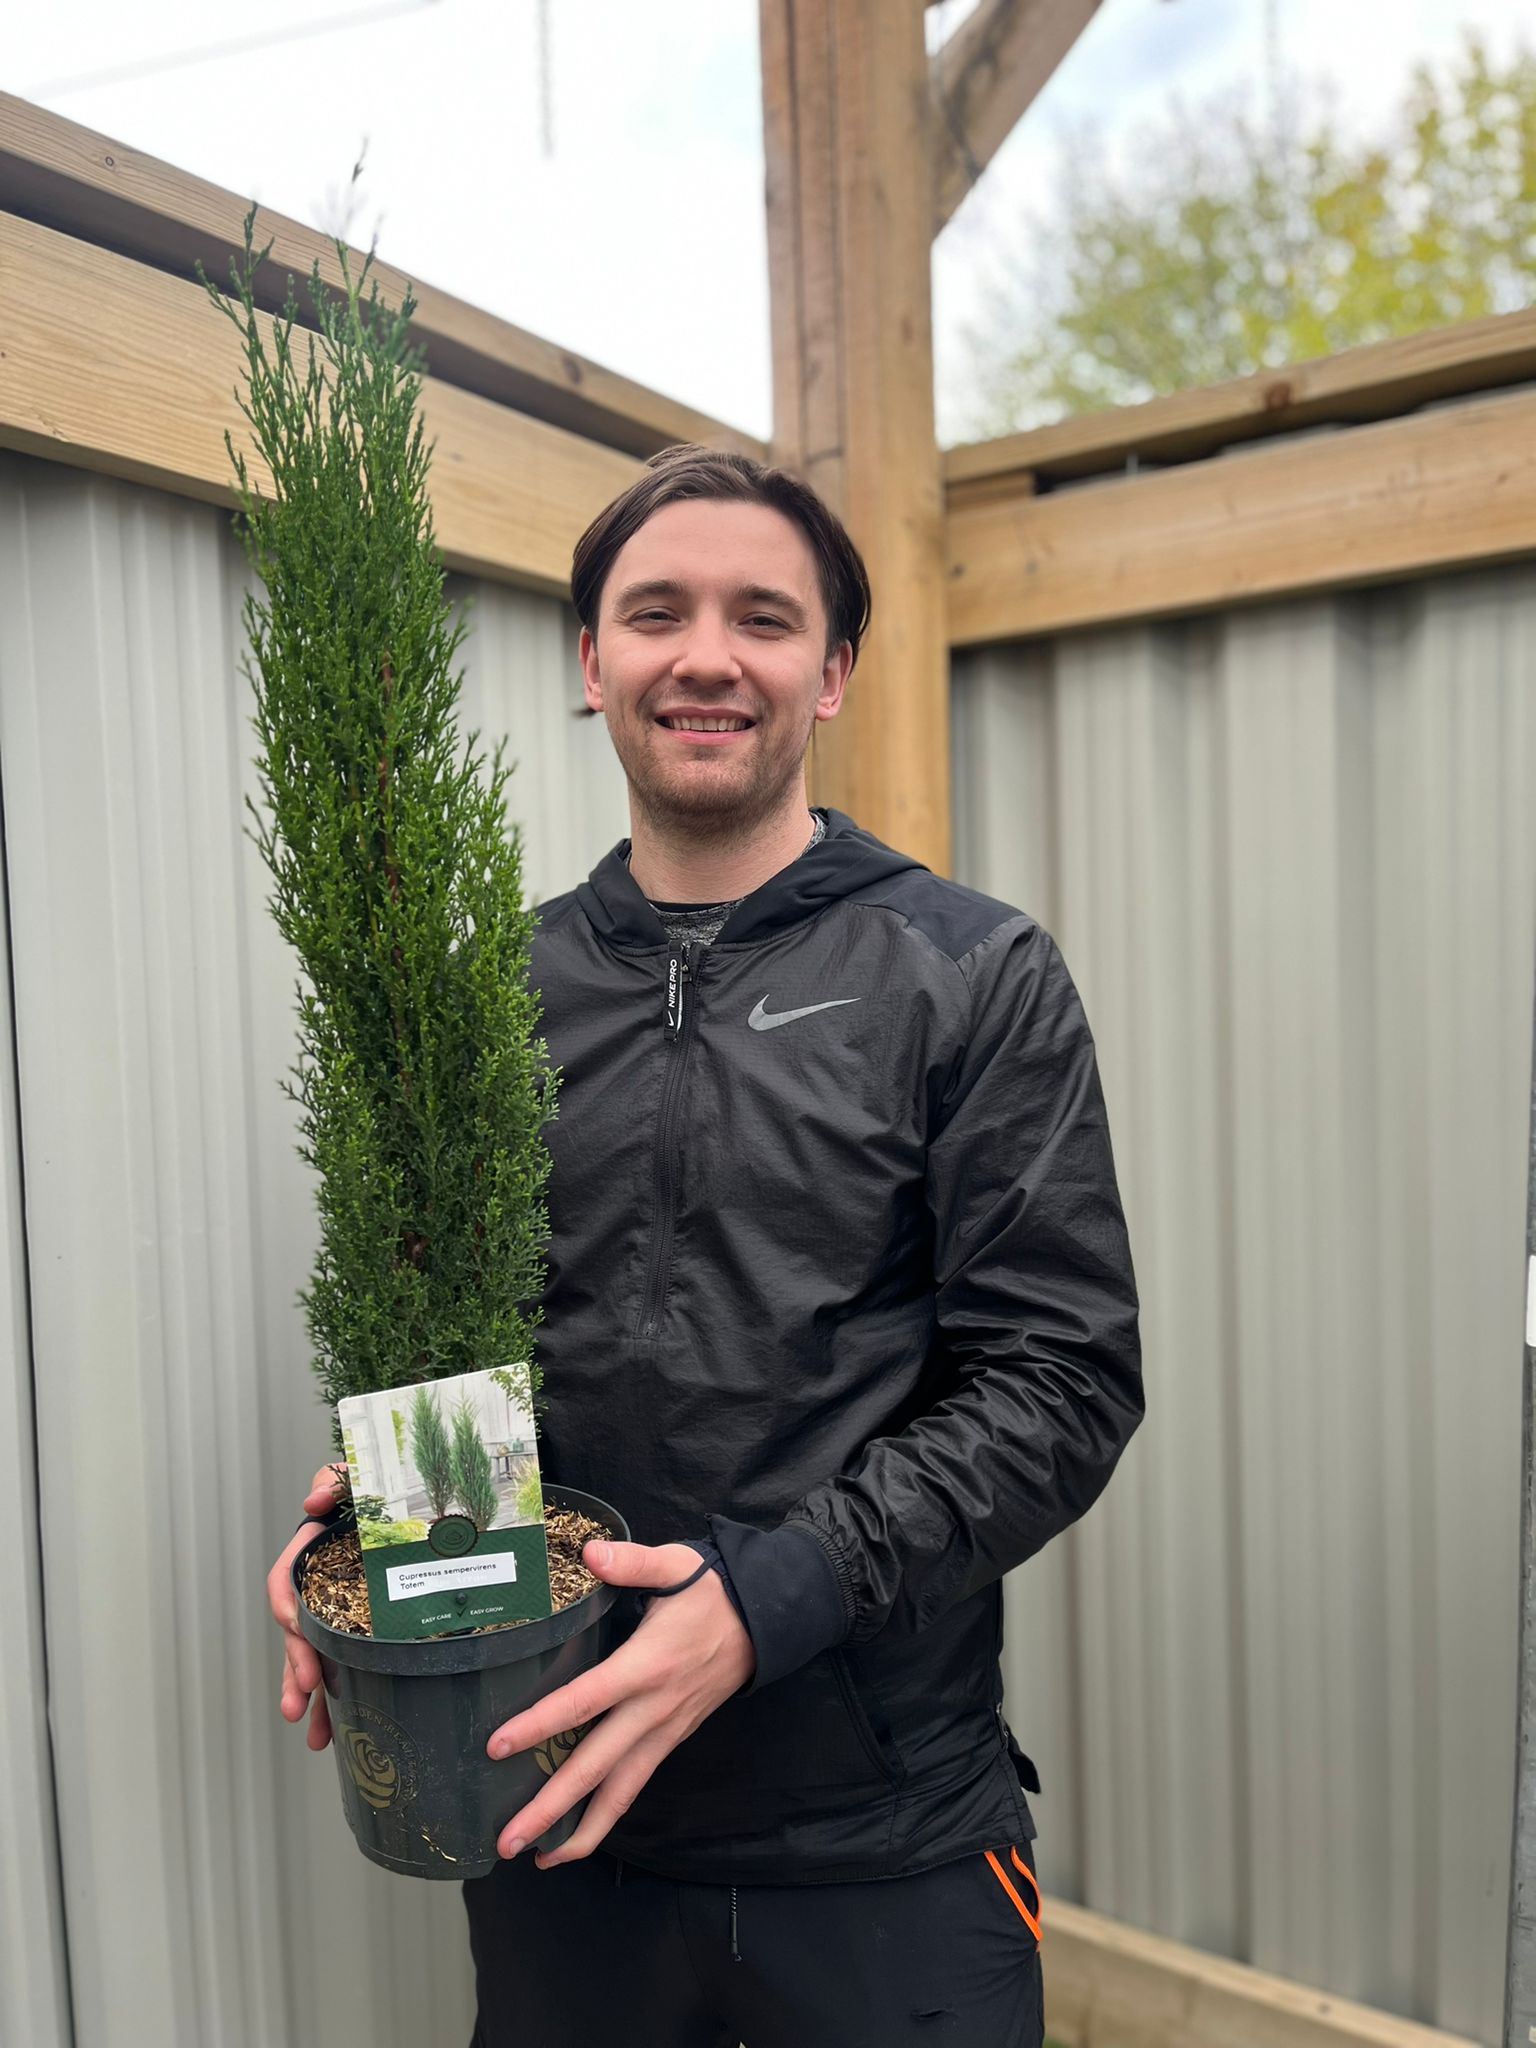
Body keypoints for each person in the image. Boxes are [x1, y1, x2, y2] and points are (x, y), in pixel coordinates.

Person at [267, 446, 1142, 2047]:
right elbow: (448, 1344)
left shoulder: (968, 972)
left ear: (832, 669)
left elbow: (1063, 1385)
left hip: (884, 1848)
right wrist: (376, 1532)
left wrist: (764, 1600)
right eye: (656, 612)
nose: (708, 654)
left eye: (763, 615)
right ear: (595, 664)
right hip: (557, 1821)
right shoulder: (487, 997)